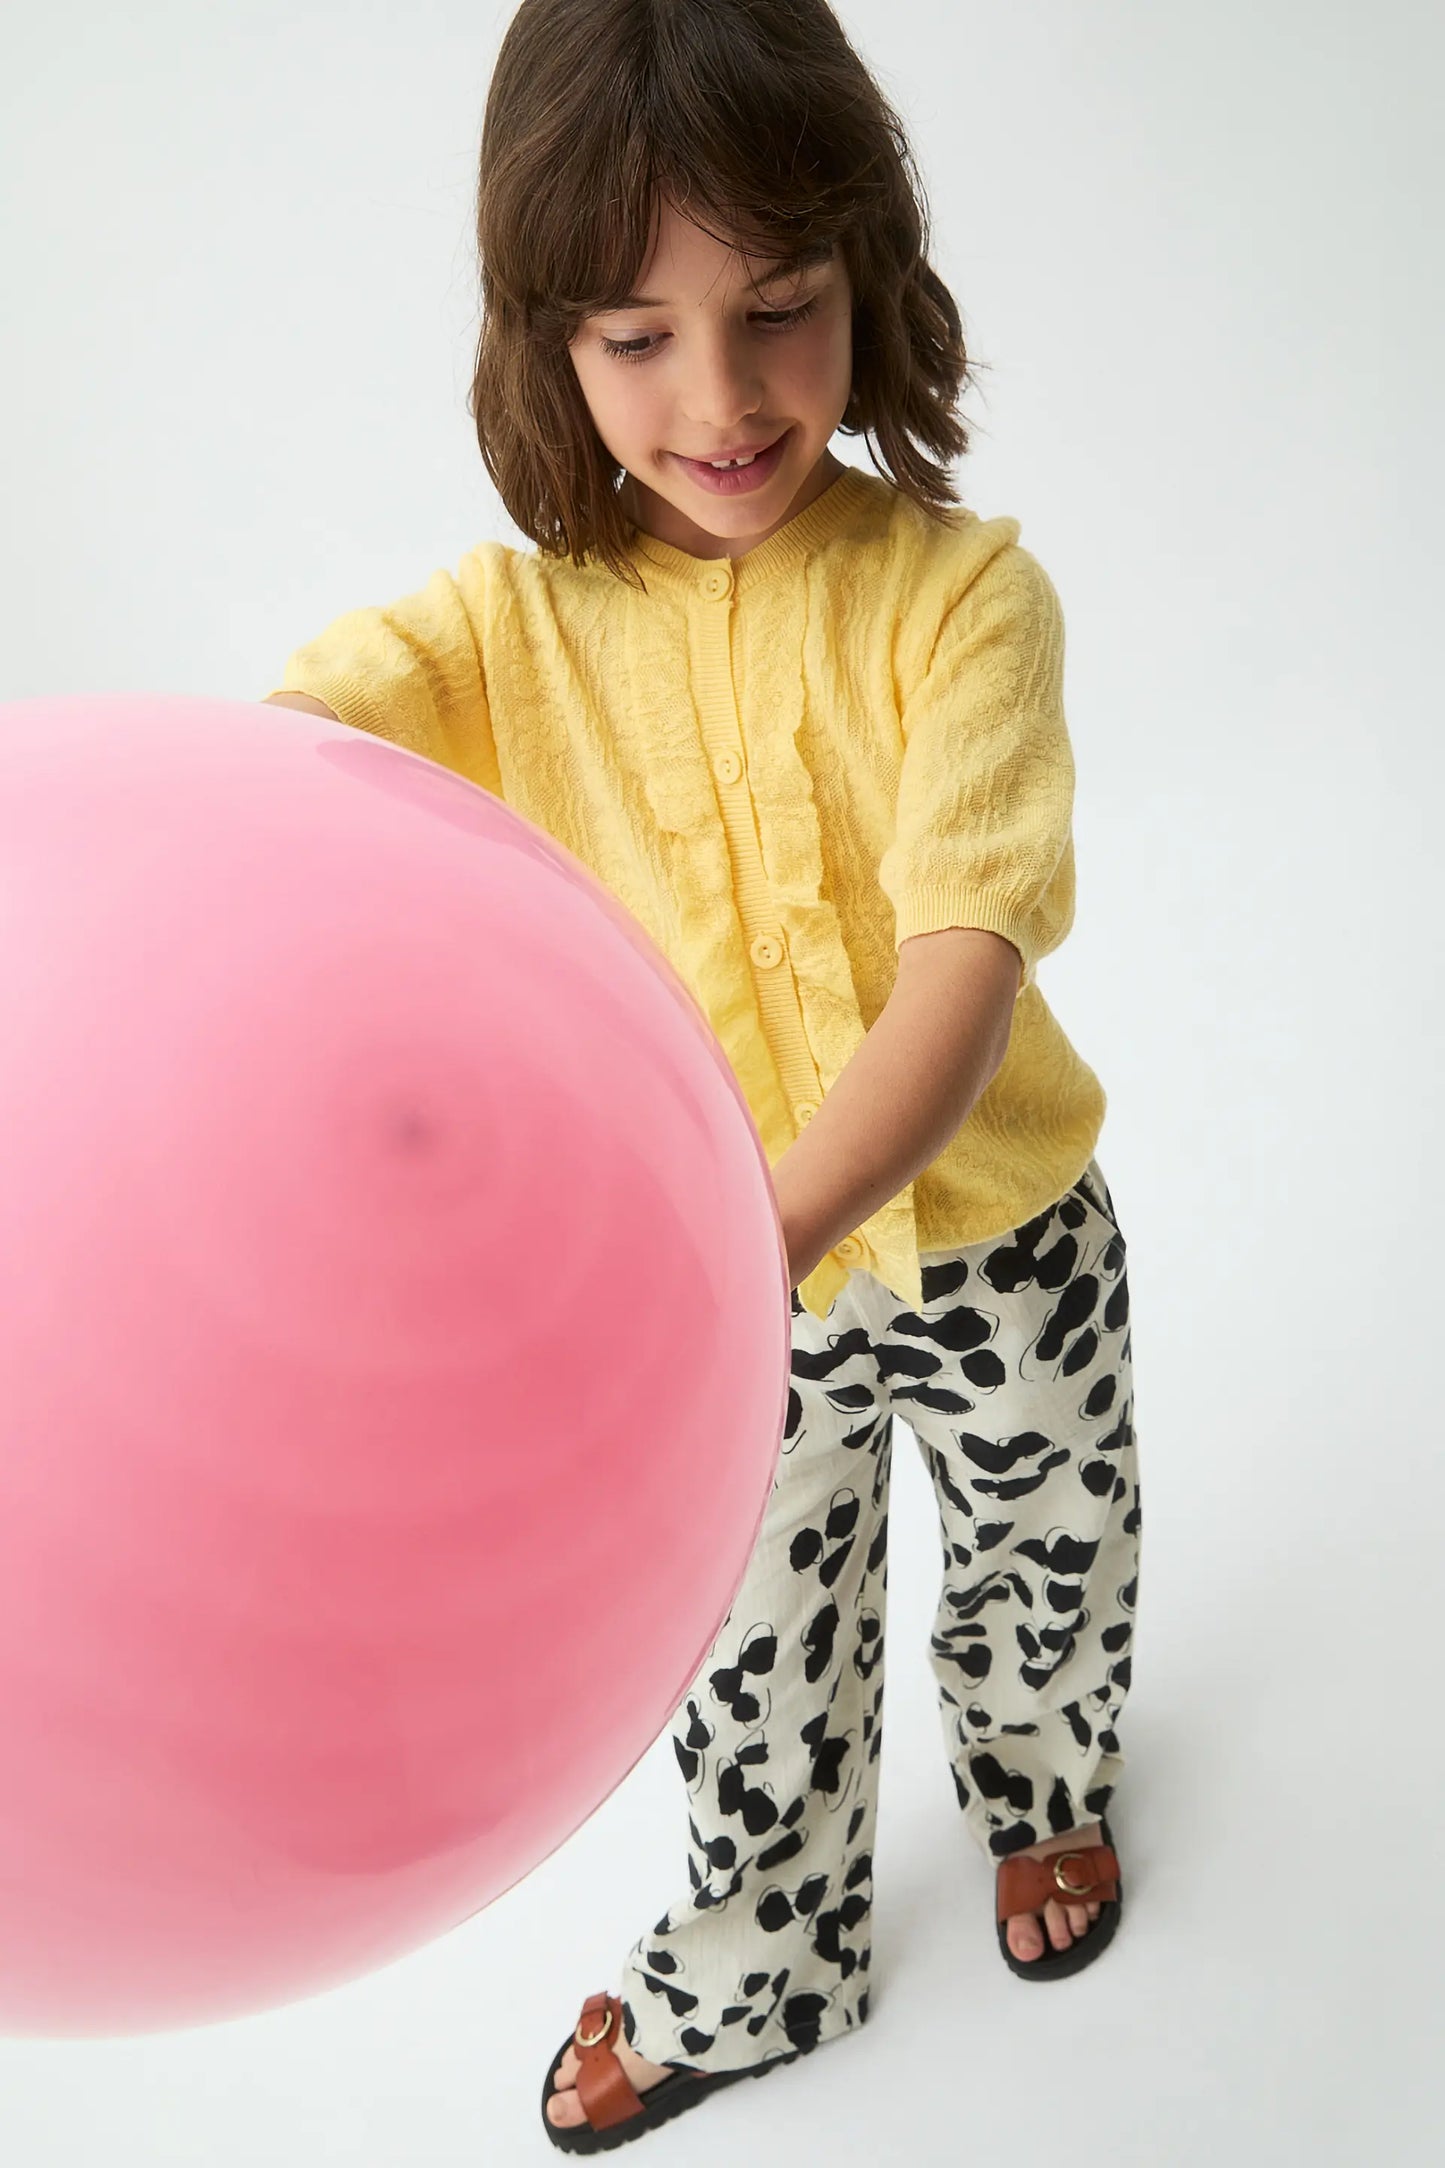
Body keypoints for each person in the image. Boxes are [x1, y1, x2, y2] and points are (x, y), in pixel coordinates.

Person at [263, 0, 1141, 2149]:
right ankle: (768, 1950)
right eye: (634, 336)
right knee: (745, 1656)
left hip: (996, 1234)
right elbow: (281, 767)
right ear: (542, 342)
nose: (722, 398)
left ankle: (1042, 1786)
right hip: (712, 1291)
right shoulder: (504, 625)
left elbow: (963, 958)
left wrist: (769, 1228)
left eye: (779, 311)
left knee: (1053, 1554)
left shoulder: (960, 600)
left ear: (871, 275)